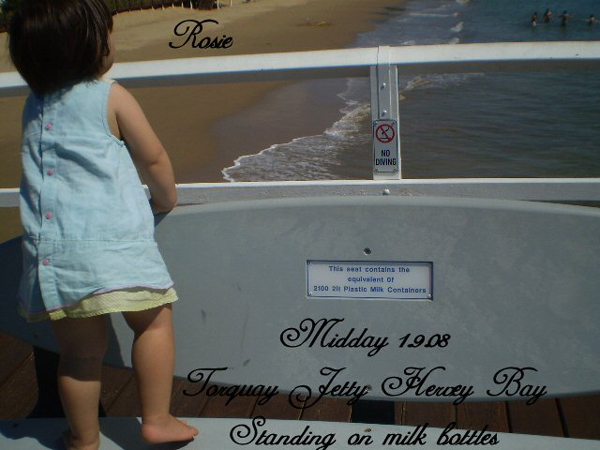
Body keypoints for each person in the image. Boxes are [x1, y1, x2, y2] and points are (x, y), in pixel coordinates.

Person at [8, 0, 199, 449]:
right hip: (115, 246)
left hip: (55, 254)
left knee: (77, 356)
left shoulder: (35, 105)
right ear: (90, 46)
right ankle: (156, 418)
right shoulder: (110, 95)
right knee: (153, 323)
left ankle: (84, 440)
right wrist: (165, 198)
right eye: (108, 33)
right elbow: (152, 156)